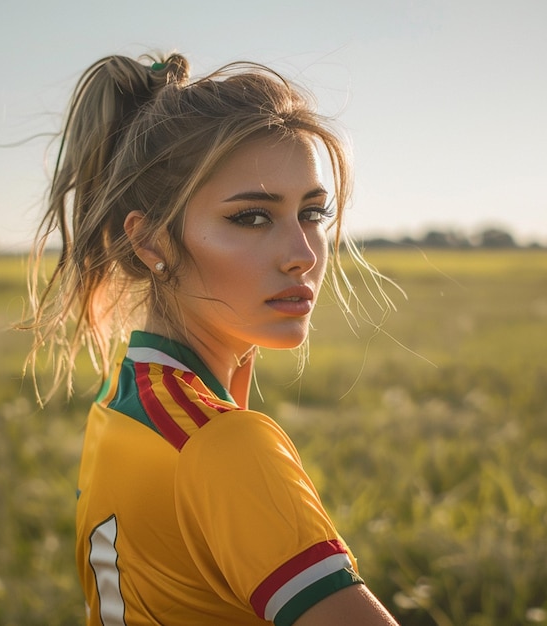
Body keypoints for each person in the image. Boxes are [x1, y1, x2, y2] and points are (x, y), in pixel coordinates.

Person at [26, 51, 399, 625]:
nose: (303, 255)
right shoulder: (221, 445)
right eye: (251, 217)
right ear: (151, 241)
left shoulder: (118, 402)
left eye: (312, 213)